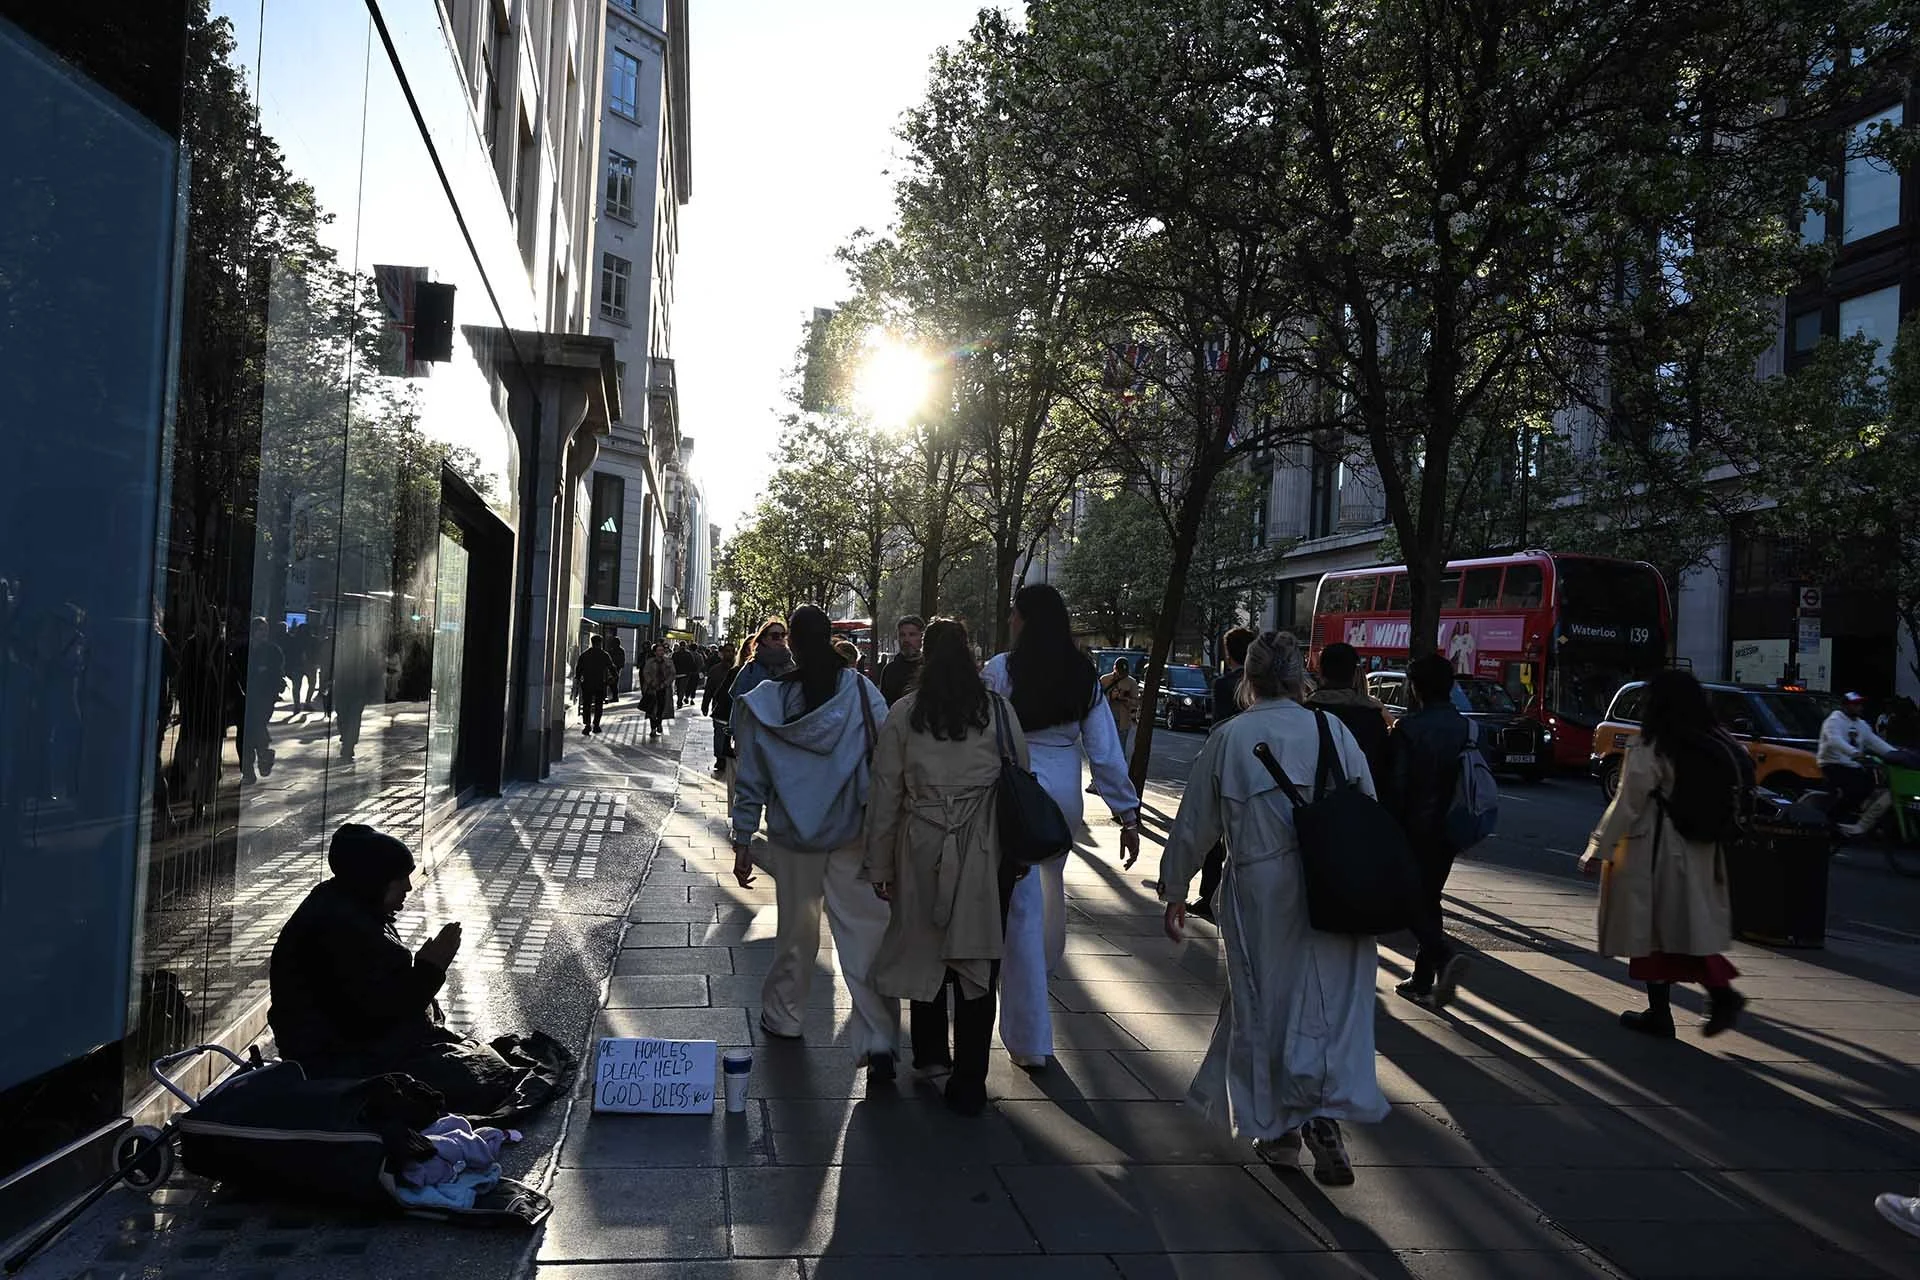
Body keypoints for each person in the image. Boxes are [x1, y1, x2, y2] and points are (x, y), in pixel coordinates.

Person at [1157, 629, 1388, 1185]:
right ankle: (1320, 1114)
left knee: (1267, 1005)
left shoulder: (1232, 737)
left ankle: (1283, 1129)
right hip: (1334, 885)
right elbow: (1369, 808)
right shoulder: (1331, 729)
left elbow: (1195, 825)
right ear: (1298, 677)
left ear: (1249, 678)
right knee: (1329, 1006)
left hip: (1262, 887)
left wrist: (1174, 890)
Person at [269, 824, 571, 1118]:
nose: (408, 887)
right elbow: (372, 1016)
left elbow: (377, 998)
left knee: (478, 1065)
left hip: (353, 1045)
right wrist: (430, 969)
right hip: (334, 1060)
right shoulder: (339, 928)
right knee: (483, 1079)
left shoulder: (351, 905)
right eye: (400, 879)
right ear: (373, 880)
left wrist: (424, 976)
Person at [864, 618, 1027, 1114]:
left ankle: (932, 1054)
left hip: (920, 845)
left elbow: (886, 792)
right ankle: (971, 1078)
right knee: (981, 957)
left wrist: (880, 865)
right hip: (986, 849)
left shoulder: (905, 712)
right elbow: (1021, 776)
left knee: (923, 946)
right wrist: (1016, 856)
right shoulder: (998, 710)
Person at [730, 606, 900, 1076]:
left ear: (793, 644)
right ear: (829, 638)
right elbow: (886, 760)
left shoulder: (768, 703)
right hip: (853, 834)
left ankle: (784, 1017)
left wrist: (743, 836)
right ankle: (879, 1037)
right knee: (865, 934)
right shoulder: (863, 694)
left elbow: (751, 777)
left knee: (796, 933)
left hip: (792, 838)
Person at [983, 584, 1141, 1070]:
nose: (1009, 619)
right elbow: (1106, 750)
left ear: (1026, 619)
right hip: (1064, 799)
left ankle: (1030, 1036)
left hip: (1016, 792)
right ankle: (1044, 971)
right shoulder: (1084, 675)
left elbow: (981, 734)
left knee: (1023, 910)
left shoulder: (1001, 670)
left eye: (1014, 613)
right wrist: (1127, 812)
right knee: (1049, 889)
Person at [1580, 669, 1747, 1037]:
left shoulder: (1651, 746)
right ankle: (1704, 998)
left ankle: (1686, 1004)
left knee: (1650, 929)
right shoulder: (1714, 740)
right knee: (1684, 929)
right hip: (1700, 848)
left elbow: (1627, 803)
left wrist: (1598, 848)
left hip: (1656, 851)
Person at [1382, 653, 1473, 1009]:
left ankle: (1442, 957)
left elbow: (1397, 786)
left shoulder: (1409, 728)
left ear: (1416, 688)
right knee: (1428, 896)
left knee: (1407, 901)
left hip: (1414, 827)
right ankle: (1423, 978)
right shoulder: (1466, 727)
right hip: (1449, 827)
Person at [1188, 627, 1256, 920]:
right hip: (1256, 765)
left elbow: (1217, 728)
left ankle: (1207, 895)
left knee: (1215, 834)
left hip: (1227, 762)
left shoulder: (1224, 684)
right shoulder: (1260, 684)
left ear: (1228, 653)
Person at [1306, 642, 1392, 785]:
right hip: (1360, 799)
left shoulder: (1306, 713)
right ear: (1354, 673)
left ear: (1320, 671)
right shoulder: (1373, 717)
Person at [1818, 692, 1896, 836]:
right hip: (1833, 763)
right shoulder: (1834, 720)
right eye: (1855, 704)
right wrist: (1854, 753)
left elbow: (1874, 742)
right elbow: (1835, 740)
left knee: (1872, 785)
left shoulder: (1861, 724)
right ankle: (1831, 821)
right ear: (1845, 706)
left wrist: (1896, 754)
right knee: (1855, 790)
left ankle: (1858, 822)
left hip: (1854, 765)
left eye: (1860, 704)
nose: (1859, 707)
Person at [702, 643, 738, 777]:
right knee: (719, 733)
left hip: (734, 708)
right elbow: (709, 689)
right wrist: (705, 705)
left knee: (730, 734)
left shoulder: (739, 670)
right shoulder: (715, 670)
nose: (729, 654)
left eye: (731, 651)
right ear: (722, 653)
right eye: (726, 651)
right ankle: (720, 758)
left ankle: (727, 754)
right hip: (718, 707)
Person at [573, 634, 616, 736]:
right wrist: (613, 678)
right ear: (600, 643)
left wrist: (578, 680)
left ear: (592, 643)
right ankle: (596, 725)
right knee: (598, 705)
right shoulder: (604, 655)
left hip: (587, 683)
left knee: (587, 705)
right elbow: (612, 668)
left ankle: (587, 725)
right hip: (600, 684)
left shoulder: (584, 655)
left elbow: (578, 670)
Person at [879, 615, 926, 707]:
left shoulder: (929, 668)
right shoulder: (890, 670)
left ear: (921, 637)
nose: (906, 640)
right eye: (902, 635)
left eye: (912, 634)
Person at [641, 641, 677, 736]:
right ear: (655, 652)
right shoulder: (650, 662)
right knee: (652, 709)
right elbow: (646, 673)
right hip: (652, 689)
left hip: (664, 689)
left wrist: (665, 683)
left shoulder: (668, 662)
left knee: (661, 708)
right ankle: (653, 728)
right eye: (659, 650)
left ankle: (659, 723)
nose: (661, 652)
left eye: (662, 650)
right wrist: (651, 682)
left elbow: (672, 674)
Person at [673, 642, 700, 707]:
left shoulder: (675, 654)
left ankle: (679, 699)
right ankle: (679, 701)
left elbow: (672, 663)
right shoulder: (688, 654)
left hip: (677, 674)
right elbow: (692, 664)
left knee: (679, 688)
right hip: (685, 674)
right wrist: (693, 671)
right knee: (682, 688)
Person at [606, 635, 628, 704]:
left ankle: (615, 697)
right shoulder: (612, 650)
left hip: (617, 668)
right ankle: (614, 696)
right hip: (612, 668)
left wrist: (619, 667)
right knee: (612, 683)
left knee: (614, 683)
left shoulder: (620, 650)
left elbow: (622, 660)